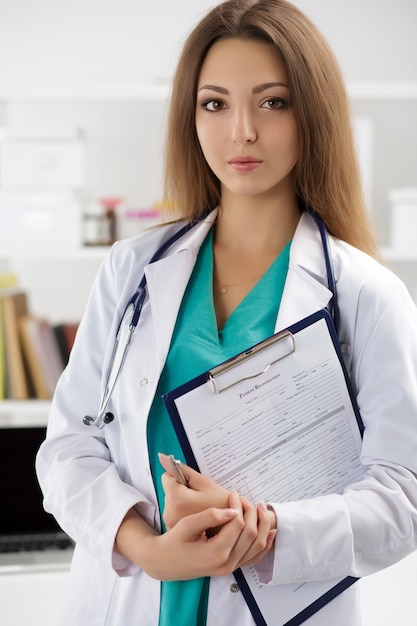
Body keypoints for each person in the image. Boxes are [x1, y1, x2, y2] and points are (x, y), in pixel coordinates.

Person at [36, 1, 417, 624]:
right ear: (191, 117)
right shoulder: (132, 270)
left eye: (273, 102)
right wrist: (148, 550)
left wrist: (266, 531)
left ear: (311, 114)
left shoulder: (365, 296)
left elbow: (402, 499)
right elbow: (69, 449)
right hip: (136, 600)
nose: (242, 130)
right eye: (215, 103)